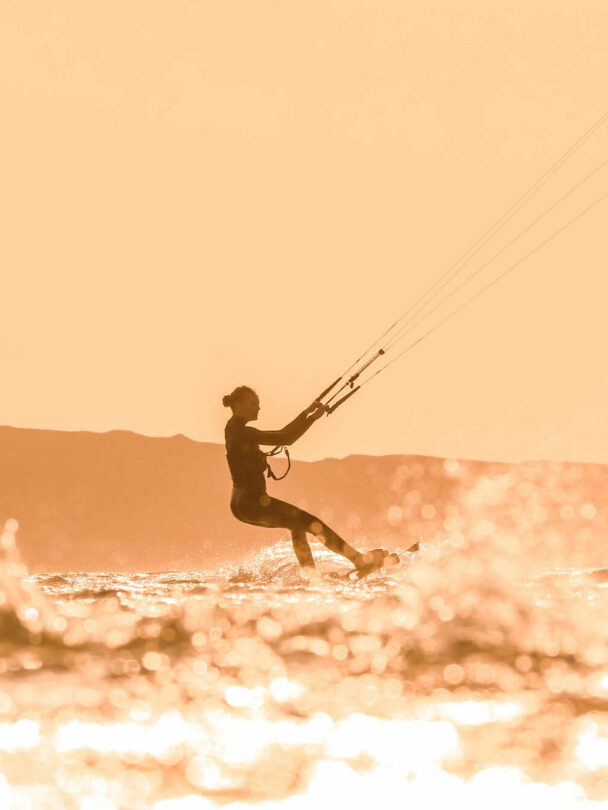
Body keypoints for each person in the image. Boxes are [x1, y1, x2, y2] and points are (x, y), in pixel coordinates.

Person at [223, 385, 375, 574]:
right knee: (311, 522)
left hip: (241, 503)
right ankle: (357, 560)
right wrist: (313, 418)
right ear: (239, 406)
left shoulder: (234, 429)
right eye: (254, 404)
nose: (259, 408)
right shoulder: (242, 432)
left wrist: (308, 411)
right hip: (250, 502)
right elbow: (285, 437)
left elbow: (282, 435)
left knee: (296, 523)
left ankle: (311, 575)